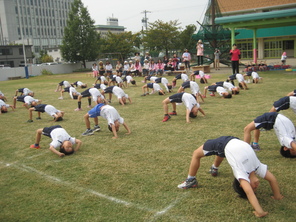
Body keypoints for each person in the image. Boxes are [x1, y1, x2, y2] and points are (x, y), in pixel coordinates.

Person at [177, 136, 283, 218]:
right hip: (234, 140)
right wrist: (277, 196)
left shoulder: (241, 172)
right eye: (255, 188)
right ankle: (214, 168)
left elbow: (249, 193)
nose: (256, 186)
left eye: (253, 187)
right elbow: (272, 179)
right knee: (222, 153)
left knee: (196, 153)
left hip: (222, 144)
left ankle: (191, 180)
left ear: (242, 185)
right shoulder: (258, 167)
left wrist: (259, 212)